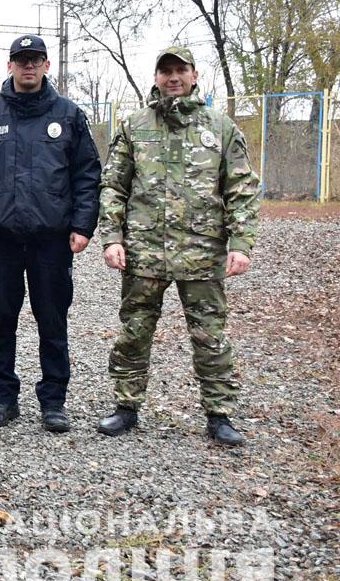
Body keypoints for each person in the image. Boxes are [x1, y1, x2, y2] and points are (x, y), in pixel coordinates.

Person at [97, 46, 260, 446]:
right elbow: (113, 186)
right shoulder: (135, 126)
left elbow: (241, 188)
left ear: (195, 75)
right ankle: (126, 406)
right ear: (155, 77)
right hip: (144, 252)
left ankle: (219, 414)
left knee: (210, 336)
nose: (173, 77)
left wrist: (240, 243)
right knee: (134, 331)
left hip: (201, 254)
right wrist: (112, 238)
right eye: (165, 71)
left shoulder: (219, 127)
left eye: (180, 70)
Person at [0, 34, 102, 433]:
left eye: (36, 59)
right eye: (22, 60)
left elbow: (87, 175)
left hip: (51, 240)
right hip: (1, 239)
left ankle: (53, 401)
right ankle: (3, 398)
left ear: (47, 65)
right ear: (10, 66)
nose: (29, 66)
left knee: (52, 320)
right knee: (2, 319)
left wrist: (82, 225)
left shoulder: (68, 115)